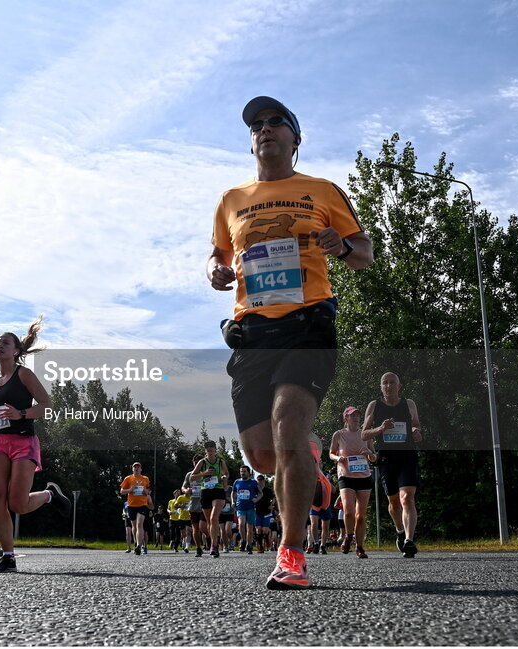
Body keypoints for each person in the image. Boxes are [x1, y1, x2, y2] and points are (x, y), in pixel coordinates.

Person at [207, 95, 374, 588]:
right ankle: (314, 476)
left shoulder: (321, 190)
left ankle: (292, 552)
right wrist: (215, 271)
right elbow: (216, 254)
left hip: (308, 324)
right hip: (252, 332)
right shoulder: (230, 200)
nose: (265, 129)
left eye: (276, 121)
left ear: (294, 139)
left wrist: (341, 246)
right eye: (256, 124)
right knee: (262, 457)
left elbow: (363, 253)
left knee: (287, 427)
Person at [0, 318, 71, 573]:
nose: (0, 346)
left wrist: (20, 413)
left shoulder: (24, 374)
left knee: (17, 504)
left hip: (24, 442)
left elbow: (47, 405)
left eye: (5, 342)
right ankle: (8, 556)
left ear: (16, 350)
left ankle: (50, 494)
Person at [362, 372, 423, 558]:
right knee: (394, 503)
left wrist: (416, 432)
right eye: (385, 383)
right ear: (381, 387)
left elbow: (416, 426)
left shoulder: (409, 404)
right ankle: (400, 531)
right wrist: (380, 429)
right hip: (387, 458)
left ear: (399, 386)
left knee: (407, 498)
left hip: (407, 456)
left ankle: (409, 541)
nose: (388, 386)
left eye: (392, 383)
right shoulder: (374, 406)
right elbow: (364, 434)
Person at [330, 406, 376, 558]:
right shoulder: (339, 434)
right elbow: (331, 453)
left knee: (360, 516)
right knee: (348, 512)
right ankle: (349, 536)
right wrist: (339, 458)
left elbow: (374, 457)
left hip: (364, 476)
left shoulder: (366, 435)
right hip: (346, 475)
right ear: (345, 419)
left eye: (357, 415)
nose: (356, 417)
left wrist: (369, 454)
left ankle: (360, 547)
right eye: (352, 415)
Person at [190, 441, 229, 557]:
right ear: (205, 451)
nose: (210, 451)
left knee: (214, 518)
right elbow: (192, 477)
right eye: (207, 449)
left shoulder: (220, 461)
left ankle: (214, 546)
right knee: (209, 521)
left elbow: (226, 473)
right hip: (206, 491)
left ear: (215, 450)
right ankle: (213, 541)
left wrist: (224, 478)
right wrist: (204, 473)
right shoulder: (202, 462)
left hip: (218, 490)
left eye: (212, 449)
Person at [120, 462, 151, 555]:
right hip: (131, 505)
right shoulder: (128, 478)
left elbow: (149, 490)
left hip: (142, 504)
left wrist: (146, 491)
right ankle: (136, 544)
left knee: (139, 524)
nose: (136, 469)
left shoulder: (145, 479)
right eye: (135, 467)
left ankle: (139, 545)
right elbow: (121, 491)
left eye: (138, 467)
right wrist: (130, 490)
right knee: (134, 526)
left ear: (141, 469)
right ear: (132, 469)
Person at [233, 465, 260, 553]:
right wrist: (233, 501)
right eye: (241, 471)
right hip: (240, 507)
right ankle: (243, 540)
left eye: (244, 471)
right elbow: (233, 492)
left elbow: (260, 493)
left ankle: (249, 544)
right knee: (241, 524)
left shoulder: (253, 482)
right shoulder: (237, 482)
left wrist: (256, 499)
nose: (242, 473)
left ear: (248, 472)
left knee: (249, 527)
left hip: (250, 507)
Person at [183, 464, 206, 556]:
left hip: (204, 504)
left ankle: (210, 538)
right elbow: (183, 487)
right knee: (195, 528)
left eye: (199, 463)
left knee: (202, 527)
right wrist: (186, 490)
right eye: (195, 463)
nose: (197, 465)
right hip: (193, 505)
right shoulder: (189, 474)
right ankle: (198, 548)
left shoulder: (206, 473)